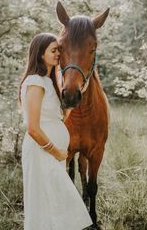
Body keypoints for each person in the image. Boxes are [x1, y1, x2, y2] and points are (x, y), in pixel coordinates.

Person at [19, 33, 93, 230]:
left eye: (59, 50)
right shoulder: (35, 82)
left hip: (52, 155)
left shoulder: (49, 81)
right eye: (53, 50)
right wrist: (57, 152)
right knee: (55, 202)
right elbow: (33, 129)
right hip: (42, 153)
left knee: (54, 204)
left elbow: (58, 118)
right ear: (39, 54)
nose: (58, 54)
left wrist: (74, 100)